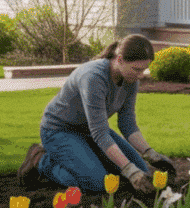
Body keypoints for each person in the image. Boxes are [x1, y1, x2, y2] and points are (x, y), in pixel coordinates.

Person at [17, 34, 174, 193]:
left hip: (89, 131)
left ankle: (89, 158)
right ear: (119, 60)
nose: (141, 75)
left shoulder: (131, 80)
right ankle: (41, 160)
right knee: (98, 183)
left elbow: (127, 124)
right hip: (59, 131)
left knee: (142, 171)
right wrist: (129, 170)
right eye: (137, 69)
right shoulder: (93, 77)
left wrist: (150, 153)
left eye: (144, 70)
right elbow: (100, 133)